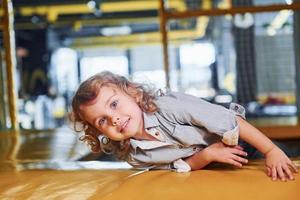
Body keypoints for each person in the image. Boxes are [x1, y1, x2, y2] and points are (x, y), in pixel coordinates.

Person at [70, 71, 298, 181]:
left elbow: (231, 122)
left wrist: (271, 150)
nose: (114, 119)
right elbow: (178, 166)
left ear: (133, 93)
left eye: (114, 104)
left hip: (242, 142)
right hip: (216, 163)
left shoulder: (168, 106)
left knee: (284, 161)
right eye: (102, 121)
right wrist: (208, 155)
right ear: (98, 132)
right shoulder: (133, 156)